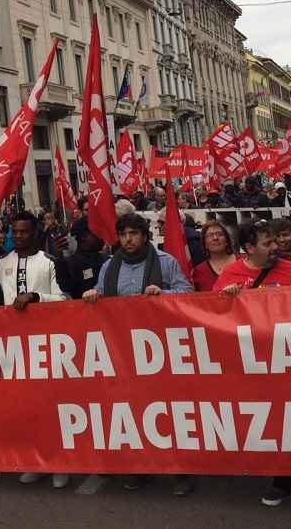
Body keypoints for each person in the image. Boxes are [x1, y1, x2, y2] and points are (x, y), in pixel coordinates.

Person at [212, 221, 291, 512]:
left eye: (276, 241)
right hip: (257, 366)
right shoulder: (231, 274)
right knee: (278, 424)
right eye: (267, 243)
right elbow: (211, 315)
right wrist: (227, 301)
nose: (275, 248)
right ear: (249, 248)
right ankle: (283, 481)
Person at [82, 212, 193, 495]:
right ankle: (141, 467)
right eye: (123, 234)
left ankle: (180, 471)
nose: (128, 239)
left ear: (144, 236)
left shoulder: (165, 263)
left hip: (159, 348)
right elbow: (101, 292)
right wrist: (93, 295)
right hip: (122, 349)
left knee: (167, 409)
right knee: (133, 409)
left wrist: (163, 294)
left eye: (133, 233)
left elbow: (188, 294)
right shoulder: (110, 266)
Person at [0, 212, 67, 488]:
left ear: (35, 233)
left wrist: (37, 297)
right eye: (15, 232)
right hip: (12, 346)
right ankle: (36, 462)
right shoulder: (0, 264)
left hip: (45, 342)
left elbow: (65, 299)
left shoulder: (50, 262)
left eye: (24, 232)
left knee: (50, 404)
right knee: (26, 406)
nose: (19, 236)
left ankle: (60, 463)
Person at [54, 217, 107, 300]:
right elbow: (66, 287)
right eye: (97, 233)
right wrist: (60, 258)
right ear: (84, 237)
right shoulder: (70, 263)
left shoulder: (106, 260)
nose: (101, 237)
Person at [191, 221, 236, 292]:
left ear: (227, 241)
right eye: (210, 235)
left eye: (220, 234)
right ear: (205, 244)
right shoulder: (199, 271)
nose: (215, 238)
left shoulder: (244, 261)